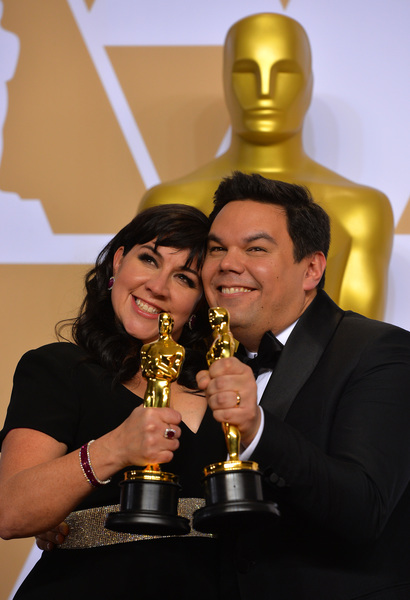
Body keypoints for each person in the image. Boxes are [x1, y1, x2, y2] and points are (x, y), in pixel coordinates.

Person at [192, 171, 410, 599]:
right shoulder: (196, 364)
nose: (227, 264)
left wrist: (257, 428)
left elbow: (364, 507)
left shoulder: (380, 351)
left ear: (311, 269)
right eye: (217, 248)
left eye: (255, 248)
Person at [0, 204, 228, 599]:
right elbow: (11, 512)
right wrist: (114, 449)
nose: (158, 286)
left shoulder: (227, 385)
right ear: (118, 262)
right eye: (148, 259)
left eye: (184, 278)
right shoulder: (59, 369)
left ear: (201, 301)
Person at [140, 13, 393, 320]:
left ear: (309, 83)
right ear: (225, 80)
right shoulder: (169, 200)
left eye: (284, 72)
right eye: (246, 72)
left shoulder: (361, 209)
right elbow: (152, 320)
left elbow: (359, 341)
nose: (264, 89)